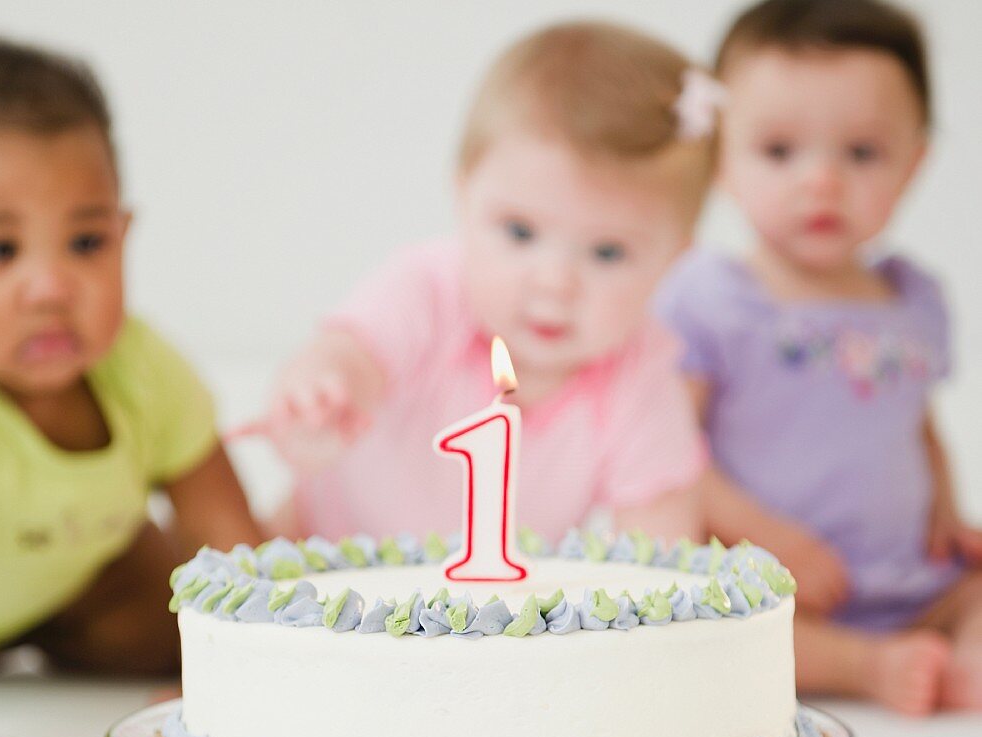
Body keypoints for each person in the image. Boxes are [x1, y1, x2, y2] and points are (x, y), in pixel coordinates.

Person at [0, 41, 261, 737]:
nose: (52, 286)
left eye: (86, 242)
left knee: (178, 602)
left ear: (124, 234)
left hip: (66, 587)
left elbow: (229, 536)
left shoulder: (144, 369)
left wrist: (243, 683)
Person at [262, 21, 719, 546]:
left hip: (488, 617)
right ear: (463, 199)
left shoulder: (641, 379)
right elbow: (350, 352)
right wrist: (323, 392)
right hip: (321, 560)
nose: (555, 282)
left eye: (607, 252)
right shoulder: (427, 291)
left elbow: (659, 549)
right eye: (521, 232)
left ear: (675, 259)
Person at [656, 0, 982, 714]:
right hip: (777, 578)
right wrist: (765, 537)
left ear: (914, 162)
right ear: (721, 158)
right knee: (726, 628)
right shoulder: (710, 297)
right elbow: (667, 447)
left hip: (903, 578)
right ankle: (864, 667)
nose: (822, 182)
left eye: (862, 153)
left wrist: (948, 515)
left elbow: (915, 420)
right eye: (779, 151)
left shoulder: (911, 297)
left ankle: (957, 653)